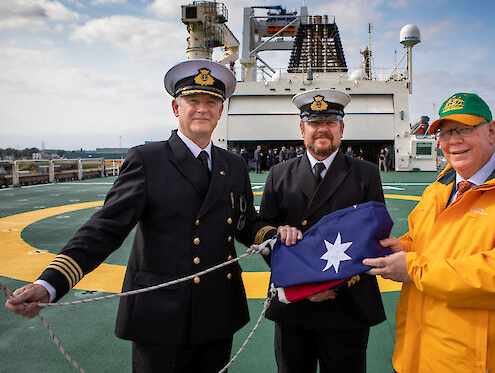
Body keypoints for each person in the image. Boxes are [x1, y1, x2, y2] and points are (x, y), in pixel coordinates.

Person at [5, 59, 278, 372]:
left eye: (211, 102)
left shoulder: (234, 165)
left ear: (220, 111)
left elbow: (245, 224)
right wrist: (50, 284)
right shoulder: (148, 160)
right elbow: (104, 229)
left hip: (217, 313)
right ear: (176, 109)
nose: (202, 109)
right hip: (160, 317)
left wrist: (275, 238)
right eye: (193, 101)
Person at [363, 93, 495, 372]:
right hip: (418, 353)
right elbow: (425, 240)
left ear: (492, 132)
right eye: (444, 133)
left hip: (476, 362)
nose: (453, 140)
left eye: (464, 129)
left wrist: (413, 268)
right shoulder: (438, 189)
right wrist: (403, 248)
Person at [260, 89, 387, 373]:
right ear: (302, 128)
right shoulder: (279, 174)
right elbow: (263, 228)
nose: (322, 129)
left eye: (330, 122)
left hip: (347, 305)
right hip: (294, 303)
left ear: (342, 129)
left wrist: (331, 284)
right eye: (315, 122)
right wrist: (303, 283)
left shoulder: (365, 173)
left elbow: (374, 237)